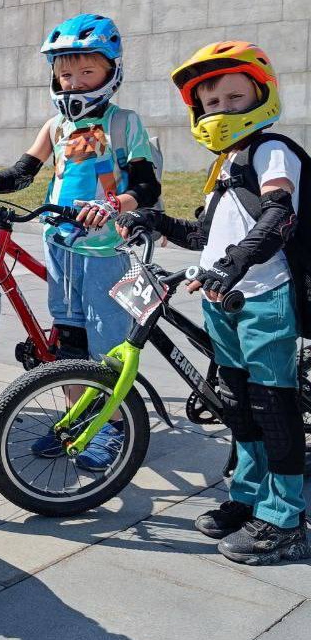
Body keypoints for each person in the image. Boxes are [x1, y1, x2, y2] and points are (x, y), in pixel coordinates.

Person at [117, 41, 309, 565]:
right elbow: (204, 234)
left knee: (272, 406)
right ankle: (249, 497)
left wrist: (235, 263)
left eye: (234, 97)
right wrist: (153, 219)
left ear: (262, 96)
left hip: (265, 296)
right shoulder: (225, 166)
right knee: (238, 404)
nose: (221, 109)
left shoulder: (272, 150)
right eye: (211, 102)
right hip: (221, 297)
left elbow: (279, 214)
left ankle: (286, 519)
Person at [0, 14, 162, 471]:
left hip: (106, 249)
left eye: (87, 71)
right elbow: (20, 174)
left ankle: (111, 426)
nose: (75, 82)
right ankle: (77, 418)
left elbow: (147, 186)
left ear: (111, 72)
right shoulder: (56, 127)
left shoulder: (123, 123)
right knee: (69, 340)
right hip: (59, 242)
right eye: (66, 74)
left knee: (106, 345)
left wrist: (115, 204)